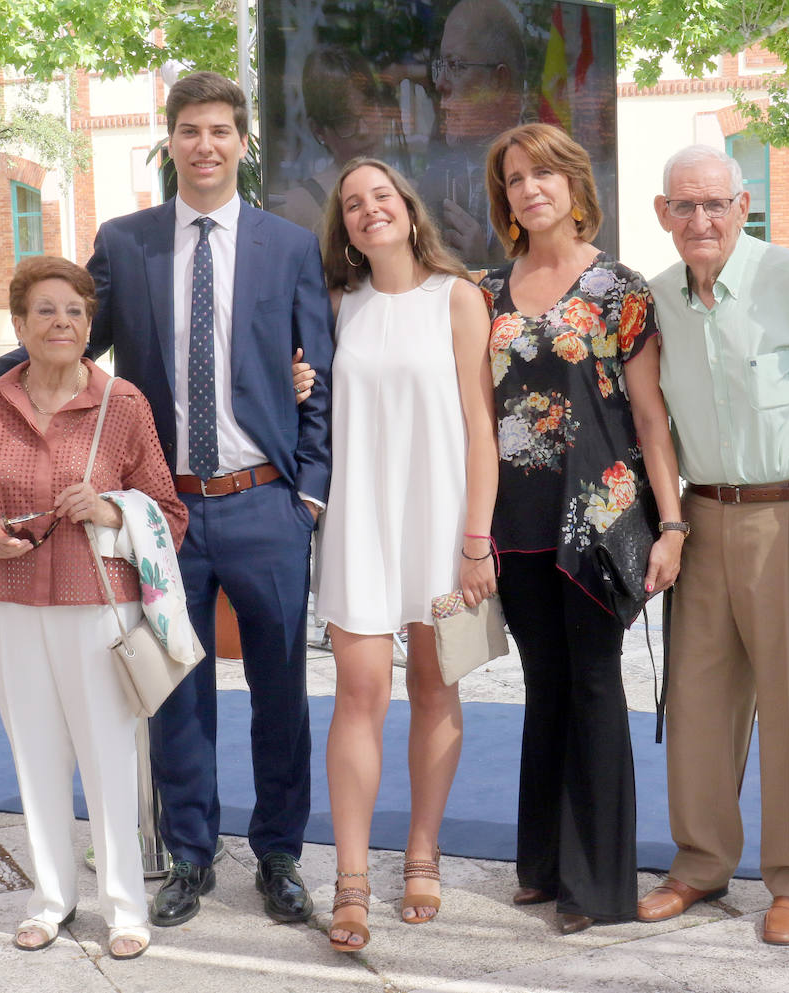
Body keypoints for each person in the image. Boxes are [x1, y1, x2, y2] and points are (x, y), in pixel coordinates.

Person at [0, 71, 335, 928]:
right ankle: (188, 854)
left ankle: (278, 853)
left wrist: (308, 492)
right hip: (156, 515)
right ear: (171, 142)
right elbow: (64, 326)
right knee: (171, 688)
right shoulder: (126, 243)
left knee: (281, 689)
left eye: (221, 130)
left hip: (265, 502)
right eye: (190, 131)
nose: (205, 146)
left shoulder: (290, 247)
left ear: (240, 142)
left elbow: (321, 380)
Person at [0, 256, 189, 961]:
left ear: (90, 326)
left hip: (97, 605)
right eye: (45, 310)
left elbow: (169, 515)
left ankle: (124, 906)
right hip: (12, 601)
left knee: (111, 756)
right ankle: (50, 898)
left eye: (76, 311)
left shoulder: (124, 405)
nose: (62, 322)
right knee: (35, 754)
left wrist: (111, 509)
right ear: (18, 325)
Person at [636, 145, 789, 945]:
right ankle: (699, 862)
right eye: (683, 206)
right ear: (662, 213)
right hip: (701, 518)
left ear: (744, 204)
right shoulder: (656, 299)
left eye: (714, 204)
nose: (700, 221)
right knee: (696, 701)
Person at [479, 122, 685, 934]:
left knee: (596, 685)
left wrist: (670, 524)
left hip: (599, 517)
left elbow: (650, 416)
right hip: (515, 523)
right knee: (544, 684)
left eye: (544, 175)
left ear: (574, 184)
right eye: (515, 178)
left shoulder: (618, 287)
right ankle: (542, 863)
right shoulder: (487, 292)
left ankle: (598, 884)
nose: (529, 189)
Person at [312, 157, 496, 951]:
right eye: (353, 204)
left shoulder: (456, 298)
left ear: (408, 208)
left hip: (439, 517)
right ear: (344, 226)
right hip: (358, 519)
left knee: (433, 685)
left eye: (379, 195)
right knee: (358, 691)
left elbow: (481, 428)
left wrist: (476, 538)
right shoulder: (334, 305)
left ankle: (423, 849)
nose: (367, 210)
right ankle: (351, 875)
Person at [420, 0, 528, 263]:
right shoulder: (431, 182)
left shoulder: (549, 180)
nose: (440, 83)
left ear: (499, 82)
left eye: (456, 65)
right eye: (440, 66)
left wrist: (484, 267)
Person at [275, 47, 405, 233]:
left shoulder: (409, 191)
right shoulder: (297, 209)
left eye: (369, 110)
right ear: (319, 131)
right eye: (346, 121)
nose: (363, 130)